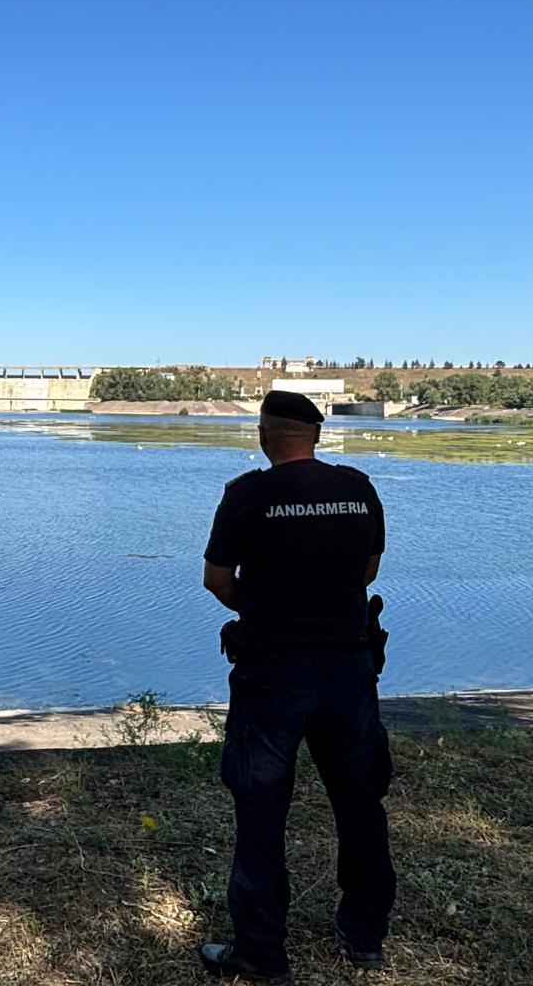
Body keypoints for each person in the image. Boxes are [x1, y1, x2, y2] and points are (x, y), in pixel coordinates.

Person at [197, 391, 395, 985]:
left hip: (272, 671)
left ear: (263, 435)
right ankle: (365, 936)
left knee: (261, 808)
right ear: (316, 435)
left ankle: (261, 952)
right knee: (360, 801)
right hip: (348, 667)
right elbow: (368, 570)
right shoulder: (358, 488)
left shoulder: (246, 495)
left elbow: (216, 580)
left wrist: (263, 606)